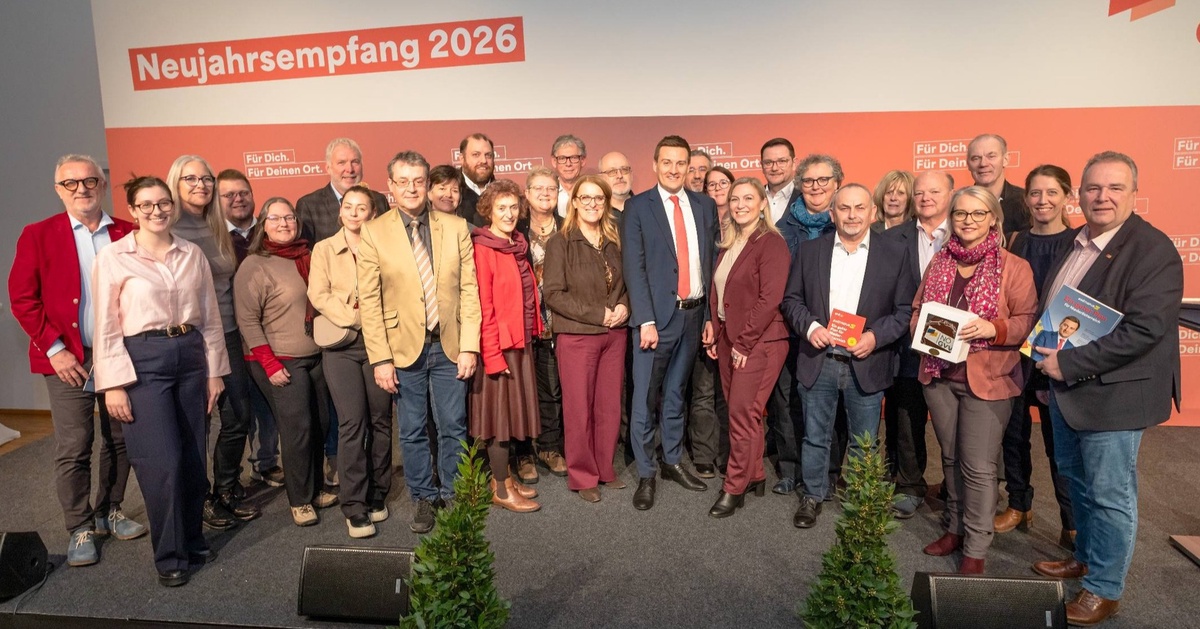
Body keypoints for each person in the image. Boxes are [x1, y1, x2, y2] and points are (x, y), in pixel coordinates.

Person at [1031, 152, 1182, 626]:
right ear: (1079, 194)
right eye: (1094, 188)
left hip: (1115, 394)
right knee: (1077, 482)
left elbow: (1144, 330)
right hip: (1067, 389)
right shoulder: (1075, 241)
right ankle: (1086, 559)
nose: (1102, 197)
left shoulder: (1153, 250)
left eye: (1115, 188)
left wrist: (1067, 363)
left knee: (1110, 493)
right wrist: (1047, 365)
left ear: (1134, 193)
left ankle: (1105, 589)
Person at [8, 154, 146, 567]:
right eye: (71, 183)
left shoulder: (128, 232)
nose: (81, 189)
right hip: (66, 357)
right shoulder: (37, 235)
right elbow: (22, 299)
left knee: (121, 437)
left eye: (90, 181)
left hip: (118, 353)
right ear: (58, 190)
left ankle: (109, 510)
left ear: (102, 185)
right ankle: (79, 526)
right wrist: (55, 350)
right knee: (75, 443)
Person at [92, 175, 229, 587]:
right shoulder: (114, 257)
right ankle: (170, 553)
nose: (157, 211)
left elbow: (210, 315)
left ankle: (192, 538)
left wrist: (215, 371)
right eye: (147, 205)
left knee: (192, 457)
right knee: (161, 461)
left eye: (163, 203)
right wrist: (113, 384)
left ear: (172, 206)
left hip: (190, 354)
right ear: (133, 210)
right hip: (142, 361)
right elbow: (106, 326)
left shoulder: (192, 253)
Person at [913, 186, 1037, 575]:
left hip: (988, 379)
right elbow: (917, 308)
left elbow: (1026, 321)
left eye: (977, 213)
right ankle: (954, 528)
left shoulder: (1014, 266)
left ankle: (976, 546)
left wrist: (992, 328)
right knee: (950, 459)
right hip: (939, 375)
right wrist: (921, 328)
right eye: (960, 213)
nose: (968, 220)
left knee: (979, 467)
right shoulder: (939, 262)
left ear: (993, 220)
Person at [358, 150, 481, 534]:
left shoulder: (455, 227)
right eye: (403, 182)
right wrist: (380, 359)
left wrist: (469, 345)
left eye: (418, 181)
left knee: (453, 425)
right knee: (411, 430)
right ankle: (423, 497)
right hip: (401, 349)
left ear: (427, 185)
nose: (411, 188)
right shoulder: (374, 232)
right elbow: (370, 302)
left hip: (449, 345)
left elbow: (469, 290)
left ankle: (452, 493)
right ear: (390, 187)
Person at [781, 184, 916, 529]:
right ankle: (813, 495)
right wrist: (811, 328)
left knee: (864, 442)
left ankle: (859, 500)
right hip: (819, 358)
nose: (852, 215)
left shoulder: (895, 253)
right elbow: (792, 300)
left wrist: (875, 337)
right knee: (815, 436)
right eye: (844, 208)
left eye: (859, 208)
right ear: (832, 213)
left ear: (872, 213)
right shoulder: (810, 251)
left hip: (867, 360)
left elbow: (904, 311)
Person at [622, 135, 718, 510]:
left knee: (677, 394)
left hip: (693, 317)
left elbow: (708, 266)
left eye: (681, 163)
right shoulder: (637, 207)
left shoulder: (705, 205)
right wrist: (644, 319)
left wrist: (707, 316)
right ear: (655, 164)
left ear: (689, 166)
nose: (674, 170)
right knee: (645, 399)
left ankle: (673, 460)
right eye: (667, 162)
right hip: (655, 321)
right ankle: (646, 472)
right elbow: (634, 267)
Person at [166, 155, 259, 527]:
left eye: (206, 179)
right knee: (198, 424)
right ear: (176, 182)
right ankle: (199, 498)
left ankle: (225, 489)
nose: (200, 185)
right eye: (191, 179)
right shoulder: (168, 227)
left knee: (238, 416)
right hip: (191, 339)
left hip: (228, 333)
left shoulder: (217, 224)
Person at [234, 197, 338, 527]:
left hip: (315, 355)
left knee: (320, 423)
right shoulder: (254, 265)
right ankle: (300, 500)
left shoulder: (309, 256)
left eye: (289, 217)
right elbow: (247, 320)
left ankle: (315, 488)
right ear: (263, 225)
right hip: (279, 359)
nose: (284, 224)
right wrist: (270, 365)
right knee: (297, 429)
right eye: (276, 218)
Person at [995, 164, 1078, 545]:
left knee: (1059, 443)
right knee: (1013, 435)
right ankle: (1019, 504)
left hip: (1058, 354)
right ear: (1025, 198)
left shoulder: (1079, 242)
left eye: (1051, 193)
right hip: (1015, 352)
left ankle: (1071, 522)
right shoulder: (1014, 240)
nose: (1043, 200)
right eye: (1035, 193)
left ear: (1066, 197)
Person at [308, 184, 393, 538]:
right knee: (352, 424)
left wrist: (375, 323)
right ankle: (354, 505)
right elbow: (318, 294)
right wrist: (358, 318)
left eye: (362, 207)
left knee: (381, 420)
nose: (355, 212)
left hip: (380, 345)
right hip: (341, 345)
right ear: (340, 212)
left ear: (373, 213)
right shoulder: (324, 249)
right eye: (349, 206)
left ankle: (378, 493)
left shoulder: (386, 247)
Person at [704, 178, 791, 518]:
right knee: (745, 412)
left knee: (741, 415)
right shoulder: (731, 241)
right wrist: (716, 329)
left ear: (762, 204)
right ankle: (754, 474)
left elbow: (770, 299)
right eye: (735, 199)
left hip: (759, 342)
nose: (740, 205)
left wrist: (743, 342)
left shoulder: (771, 244)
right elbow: (720, 291)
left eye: (748, 198)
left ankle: (734, 487)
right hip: (730, 339)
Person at [543, 176, 630, 503]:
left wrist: (625, 306)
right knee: (579, 408)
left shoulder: (614, 239)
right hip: (578, 335)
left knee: (609, 406)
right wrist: (598, 314)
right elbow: (553, 294)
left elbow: (628, 283)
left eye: (599, 198)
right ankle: (582, 475)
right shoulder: (560, 242)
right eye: (586, 198)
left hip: (614, 334)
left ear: (606, 203)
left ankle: (605, 468)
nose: (593, 204)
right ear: (575, 202)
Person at [880, 170, 955, 518]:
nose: (926, 198)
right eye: (920, 192)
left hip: (957, 345)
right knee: (907, 418)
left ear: (950, 194)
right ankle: (910, 484)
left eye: (934, 192)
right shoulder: (891, 238)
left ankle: (957, 492)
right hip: (906, 343)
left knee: (955, 425)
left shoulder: (966, 231)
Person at [768, 154, 842, 498]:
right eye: (809, 181)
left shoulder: (847, 224)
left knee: (832, 404)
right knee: (786, 400)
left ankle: (829, 471)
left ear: (837, 184)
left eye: (823, 180)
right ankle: (790, 468)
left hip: (835, 330)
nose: (815, 187)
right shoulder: (780, 227)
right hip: (789, 325)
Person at [469, 179, 544, 512]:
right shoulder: (484, 248)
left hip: (519, 342)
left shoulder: (516, 245)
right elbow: (484, 306)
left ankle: (507, 480)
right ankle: (500, 488)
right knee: (498, 420)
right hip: (498, 348)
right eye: (501, 207)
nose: (509, 213)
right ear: (489, 210)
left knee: (511, 417)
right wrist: (493, 355)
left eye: (514, 207)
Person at [216, 168, 285, 489]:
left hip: (274, 332)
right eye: (229, 194)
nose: (238, 199)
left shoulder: (271, 229)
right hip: (232, 335)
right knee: (241, 410)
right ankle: (250, 468)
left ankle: (266, 462)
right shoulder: (215, 237)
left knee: (267, 406)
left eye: (243, 192)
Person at [515, 167, 567, 484]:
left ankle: (549, 447)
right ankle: (522, 453)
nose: (545, 194)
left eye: (551, 188)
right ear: (527, 193)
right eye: (539, 188)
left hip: (557, 323)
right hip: (522, 322)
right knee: (521, 391)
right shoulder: (514, 228)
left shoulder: (568, 227)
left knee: (551, 389)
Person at [295, 138, 391, 243]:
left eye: (355, 162)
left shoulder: (379, 200)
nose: (350, 169)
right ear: (328, 168)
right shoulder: (309, 205)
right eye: (341, 163)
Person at [967, 134, 1029, 234]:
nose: (983, 164)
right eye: (976, 158)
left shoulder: (1025, 202)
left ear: (1005, 160)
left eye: (991, 156)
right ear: (968, 164)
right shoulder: (959, 203)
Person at [455, 133, 495, 226]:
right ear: (462, 159)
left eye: (488, 155)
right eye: (476, 155)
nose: (483, 161)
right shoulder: (451, 194)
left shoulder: (503, 192)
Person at [760, 138, 802, 225]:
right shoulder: (754, 198)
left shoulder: (805, 196)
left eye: (782, 161)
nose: (774, 168)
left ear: (794, 163)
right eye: (768, 162)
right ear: (762, 166)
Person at [552, 134, 587, 216]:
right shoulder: (548, 192)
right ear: (554, 162)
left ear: (582, 161)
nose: (568, 164)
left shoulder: (592, 190)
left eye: (574, 158)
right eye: (562, 158)